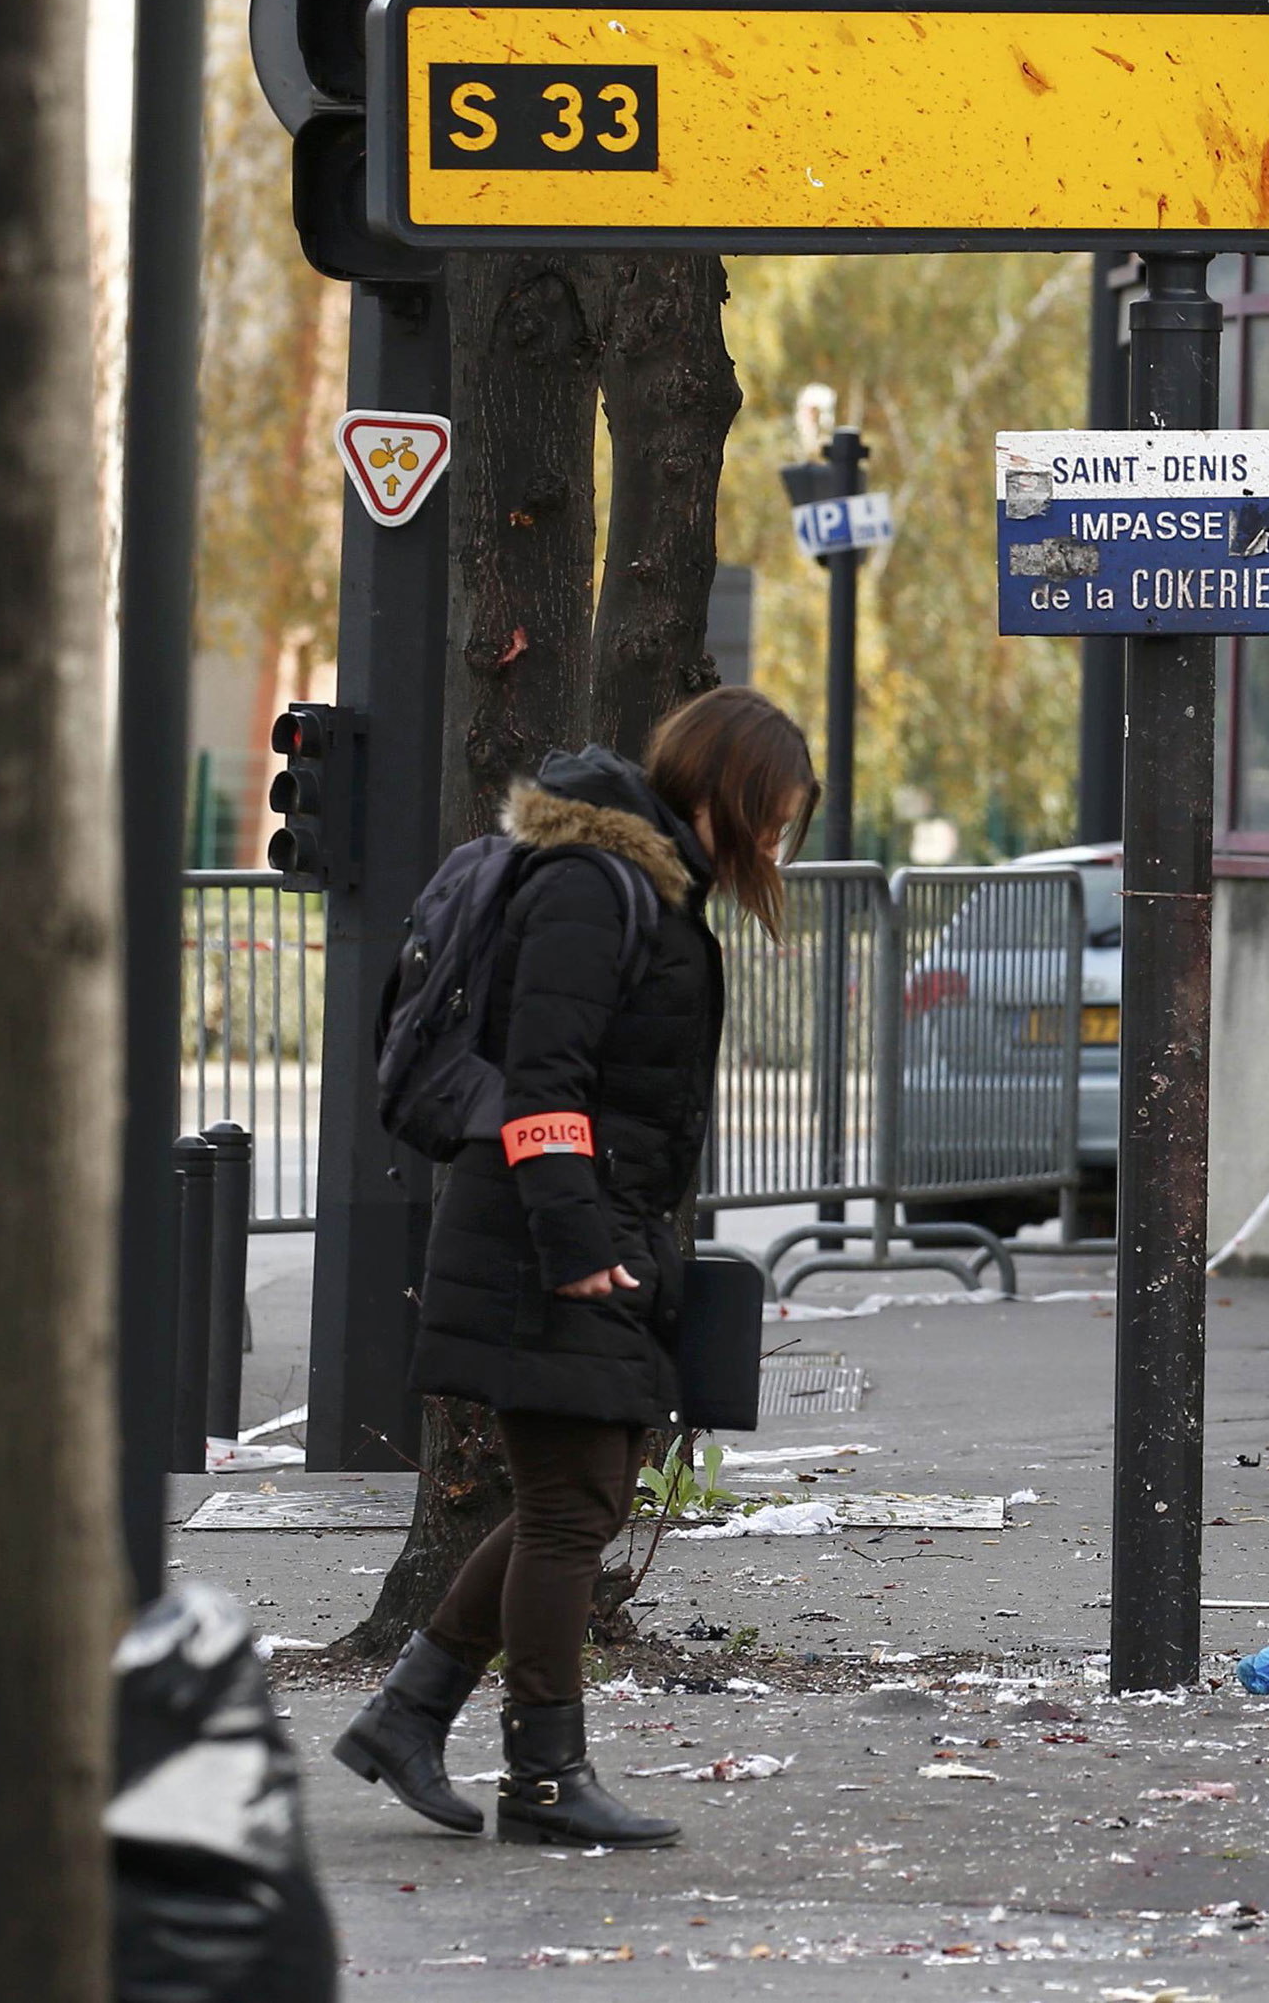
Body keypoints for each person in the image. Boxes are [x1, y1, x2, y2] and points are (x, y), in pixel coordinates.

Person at [333, 687, 817, 1845]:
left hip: (589, 1230)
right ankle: (542, 1776)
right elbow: (544, 1082)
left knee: (577, 1496)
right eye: (773, 814)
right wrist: (578, 1246)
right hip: (545, 1238)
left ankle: (410, 1715)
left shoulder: (644, 890)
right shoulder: (590, 889)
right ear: (724, 787)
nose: (776, 844)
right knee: (570, 1509)